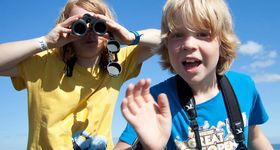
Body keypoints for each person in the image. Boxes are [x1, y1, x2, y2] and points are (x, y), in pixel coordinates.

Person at [0, 0, 160, 149]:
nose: (90, 33)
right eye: (80, 26)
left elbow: (165, 39)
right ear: (66, 27)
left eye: (99, 25)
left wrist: (130, 37)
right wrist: (46, 42)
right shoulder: (43, 63)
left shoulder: (117, 63)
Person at [115, 0, 273, 149]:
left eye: (203, 34)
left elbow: (255, 137)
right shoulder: (156, 100)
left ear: (222, 44)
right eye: (178, 35)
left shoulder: (244, 86)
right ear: (167, 46)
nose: (189, 45)